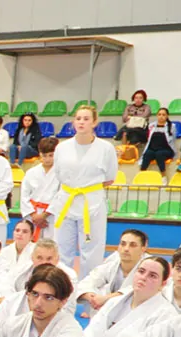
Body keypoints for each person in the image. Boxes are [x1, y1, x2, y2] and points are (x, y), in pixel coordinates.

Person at [50, 105, 118, 278]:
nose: (81, 122)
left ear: (94, 122)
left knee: (92, 252)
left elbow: (110, 177)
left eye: (86, 119)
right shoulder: (62, 148)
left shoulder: (106, 148)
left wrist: (88, 188)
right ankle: (62, 287)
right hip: (66, 201)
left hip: (92, 202)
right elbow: (58, 173)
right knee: (62, 249)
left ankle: (89, 289)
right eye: (78, 118)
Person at [0, 239, 81, 323]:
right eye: (39, 258)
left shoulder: (69, 277)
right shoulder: (20, 271)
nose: (44, 263)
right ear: (32, 257)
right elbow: (5, 287)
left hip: (56, 320)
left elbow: (66, 309)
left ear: (57, 259)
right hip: (21, 317)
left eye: (49, 259)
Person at [77, 228, 149, 313]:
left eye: (133, 245)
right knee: (100, 290)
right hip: (109, 310)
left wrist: (106, 298)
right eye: (123, 244)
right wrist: (91, 297)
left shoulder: (151, 265)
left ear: (143, 248)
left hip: (139, 312)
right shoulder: (113, 261)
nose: (126, 249)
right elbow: (89, 281)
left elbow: (138, 291)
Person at [20, 137, 60, 239]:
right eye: (44, 155)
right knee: (31, 244)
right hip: (33, 215)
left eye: (51, 155)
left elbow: (61, 196)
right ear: (40, 154)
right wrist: (34, 215)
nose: (47, 159)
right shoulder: (31, 172)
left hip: (52, 215)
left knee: (52, 243)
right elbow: (24, 195)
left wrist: (44, 215)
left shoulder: (61, 173)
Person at [140, 108, 177, 174]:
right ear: (157, 115)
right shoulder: (151, 125)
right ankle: (142, 174)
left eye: (163, 115)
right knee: (147, 153)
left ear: (167, 116)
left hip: (166, 150)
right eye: (159, 114)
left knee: (159, 154)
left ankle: (163, 175)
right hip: (153, 149)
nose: (161, 116)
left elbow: (173, 139)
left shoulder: (172, 126)